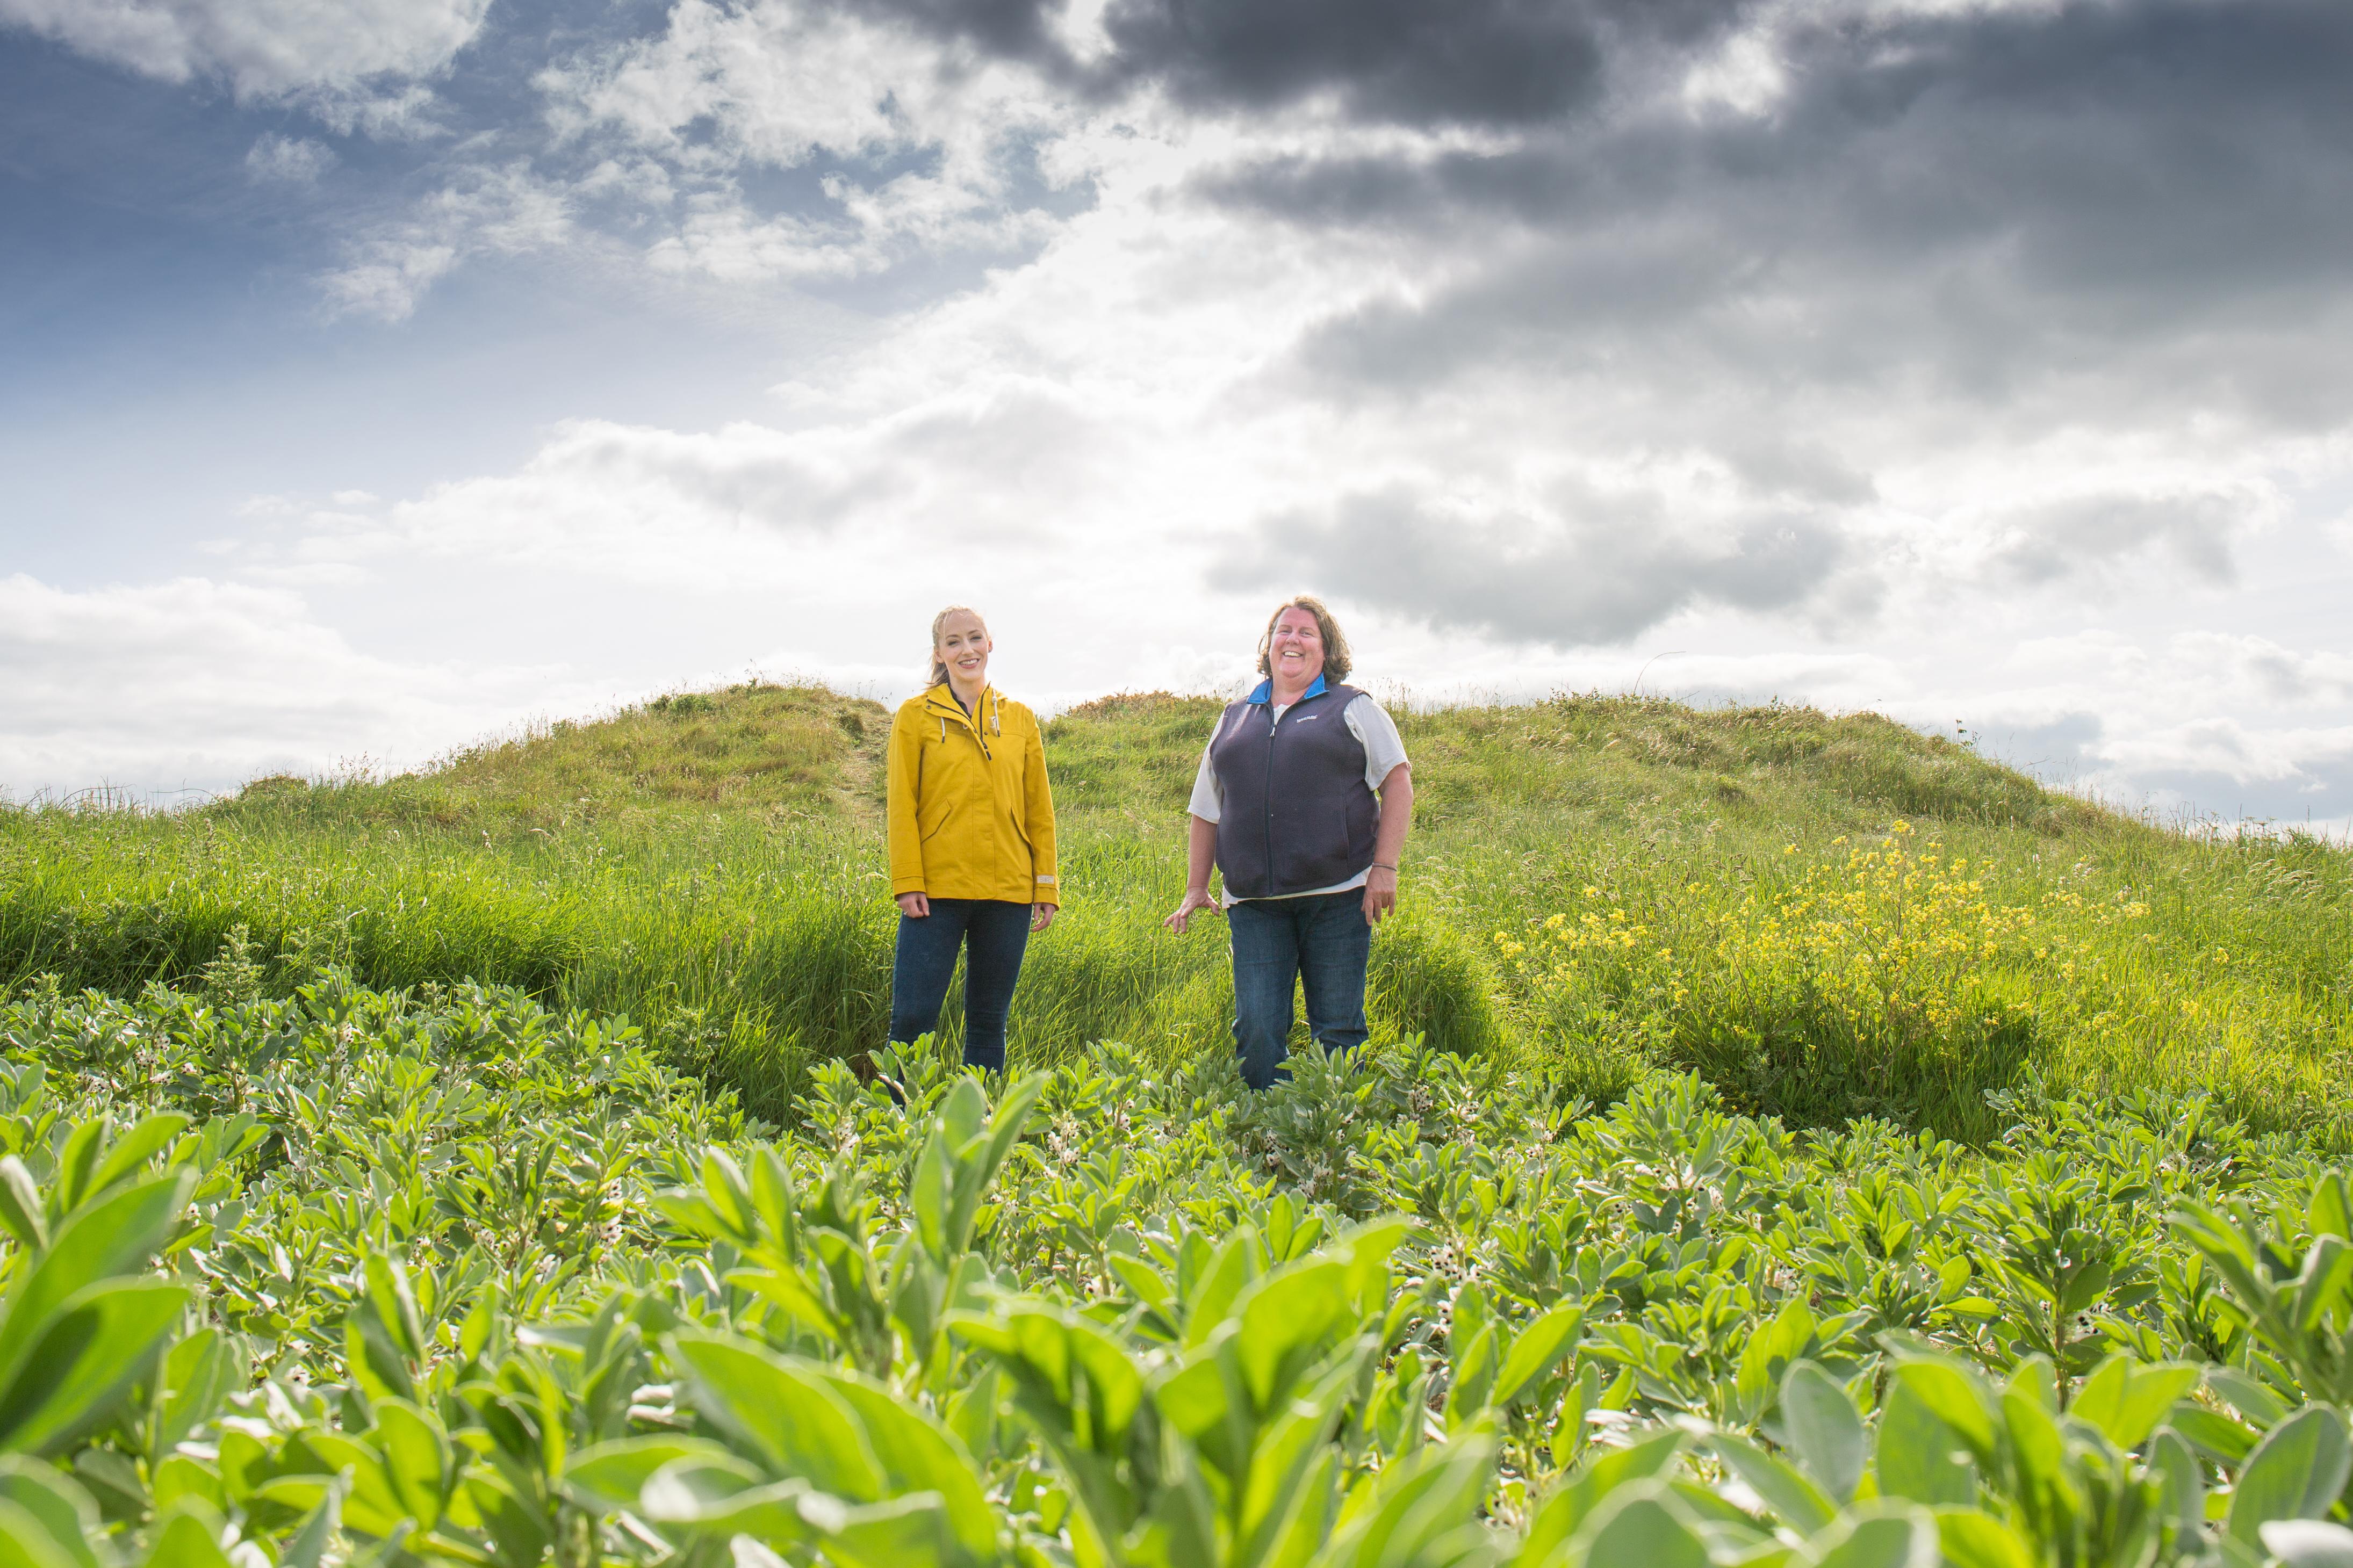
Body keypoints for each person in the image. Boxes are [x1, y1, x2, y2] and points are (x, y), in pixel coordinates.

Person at [1164, 595, 1414, 1089]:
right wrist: (1197, 887)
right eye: (1283, 630)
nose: (1292, 640)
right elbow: (1205, 809)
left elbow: (1398, 782)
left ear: (1326, 650)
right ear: (1269, 644)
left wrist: (1384, 868)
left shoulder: (1353, 707)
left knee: (1338, 1029)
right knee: (1257, 1030)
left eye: (1305, 632)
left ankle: (1336, 1141)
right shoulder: (1233, 719)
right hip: (1254, 904)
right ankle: (1263, 1140)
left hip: (1338, 898)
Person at [884, 606, 1059, 1072]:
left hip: (1008, 894)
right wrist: (907, 880)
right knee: (912, 1022)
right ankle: (896, 1134)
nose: (967, 649)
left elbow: (1039, 812)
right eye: (955, 641)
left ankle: (983, 1136)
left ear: (989, 644)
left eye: (975, 638)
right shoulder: (913, 717)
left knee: (987, 1023)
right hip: (934, 894)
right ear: (940, 653)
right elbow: (901, 805)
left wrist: (1045, 886)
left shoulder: (1020, 719)